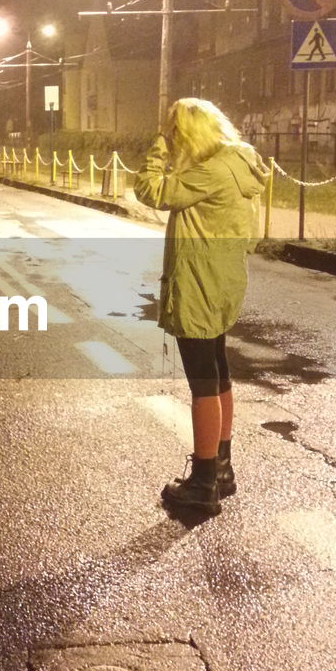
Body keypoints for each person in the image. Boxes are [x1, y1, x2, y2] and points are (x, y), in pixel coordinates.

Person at [134, 98, 269, 518]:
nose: (172, 140)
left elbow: (150, 190)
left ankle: (203, 482)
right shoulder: (237, 165)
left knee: (202, 382)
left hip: (198, 284)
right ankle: (222, 468)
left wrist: (158, 145)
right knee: (217, 370)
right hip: (223, 280)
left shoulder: (208, 172)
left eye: (175, 133)